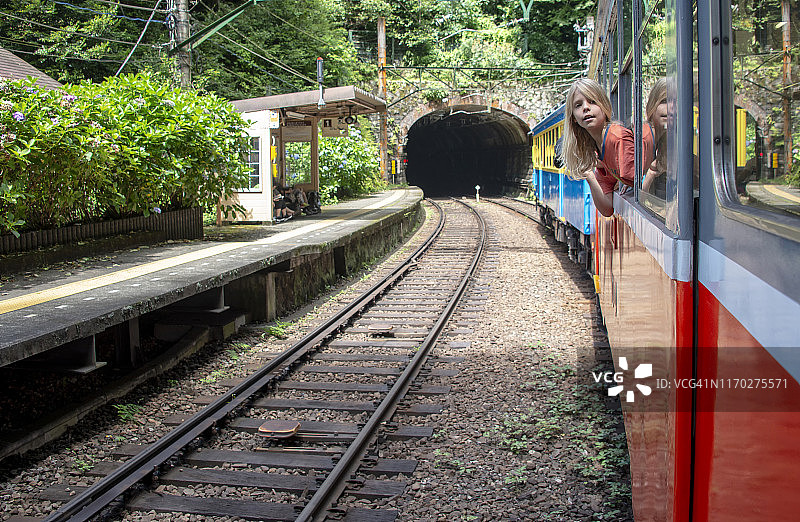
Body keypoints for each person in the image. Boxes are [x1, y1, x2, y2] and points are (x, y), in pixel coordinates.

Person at [560, 78, 635, 217]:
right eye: (578, 105)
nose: (586, 107)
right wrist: (589, 175)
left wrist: (628, 182)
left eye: (592, 101)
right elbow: (607, 209)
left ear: (604, 106)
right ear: (574, 118)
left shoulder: (617, 137)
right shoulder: (598, 151)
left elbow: (639, 182)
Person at [641, 78, 668, 196]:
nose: (670, 107)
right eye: (664, 101)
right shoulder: (644, 136)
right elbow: (637, 194)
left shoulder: (664, 136)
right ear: (652, 104)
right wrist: (651, 172)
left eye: (676, 101)